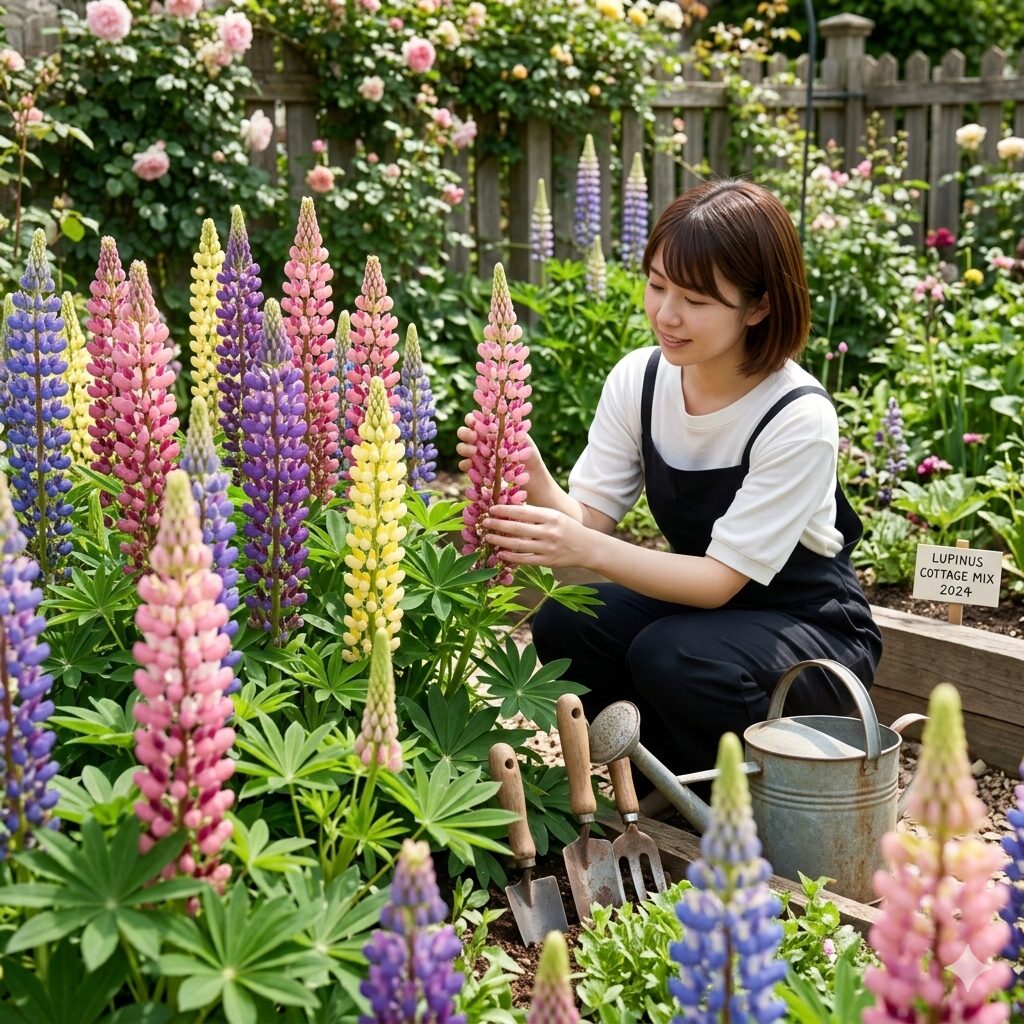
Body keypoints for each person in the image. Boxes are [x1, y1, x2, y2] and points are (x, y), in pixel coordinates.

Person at [457, 177, 883, 812]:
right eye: (658, 285)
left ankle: (755, 802)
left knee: (670, 654)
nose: (666, 314)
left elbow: (716, 581)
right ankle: (661, 781)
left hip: (810, 633)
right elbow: (589, 515)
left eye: (696, 299)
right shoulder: (641, 378)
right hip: (711, 615)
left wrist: (583, 546)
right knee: (567, 619)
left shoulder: (797, 414)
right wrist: (529, 472)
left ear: (758, 306)